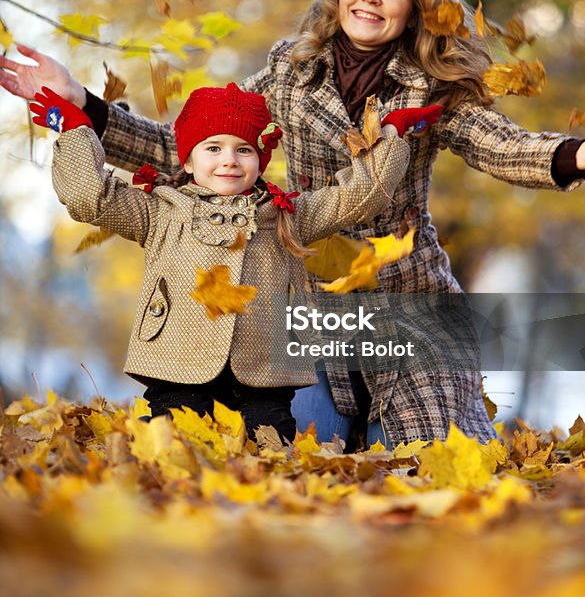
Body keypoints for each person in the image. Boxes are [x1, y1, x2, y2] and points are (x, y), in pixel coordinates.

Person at [2, 0, 585, 447]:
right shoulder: (290, 72)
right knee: (301, 466)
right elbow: (195, 152)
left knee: (440, 469)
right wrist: (84, 106)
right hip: (303, 307)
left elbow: (498, 145)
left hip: (406, 306)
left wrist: (577, 152)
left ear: (415, 5)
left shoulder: (433, 86)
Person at [28, 80, 420, 442]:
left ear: (259, 160)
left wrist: (390, 138)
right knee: (176, 445)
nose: (229, 160)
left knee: (272, 447)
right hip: (178, 363)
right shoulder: (161, 211)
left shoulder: (285, 215)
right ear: (187, 161)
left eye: (243, 149)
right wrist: (78, 131)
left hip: (264, 371)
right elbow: (89, 198)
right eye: (213, 148)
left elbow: (356, 199)